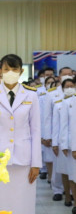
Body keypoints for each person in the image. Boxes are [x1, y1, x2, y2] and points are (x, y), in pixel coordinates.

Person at [0, 54, 41, 214]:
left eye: (14, 69)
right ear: (0, 71)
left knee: (23, 204)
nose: (10, 72)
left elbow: (36, 131)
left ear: (21, 71)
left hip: (24, 160)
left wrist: (36, 163)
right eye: (7, 69)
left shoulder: (31, 96)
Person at [43, 66, 73, 200]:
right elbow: (47, 117)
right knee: (59, 167)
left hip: (72, 136)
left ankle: (72, 193)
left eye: (70, 74)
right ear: (59, 77)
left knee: (72, 168)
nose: (68, 76)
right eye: (64, 74)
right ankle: (58, 190)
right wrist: (48, 137)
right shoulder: (52, 94)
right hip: (58, 135)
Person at [54, 78, 75, 207]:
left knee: (73, 173)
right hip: (65, 143)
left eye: (71, 85)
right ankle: (67, 196)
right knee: (66, 172)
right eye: (66, 86)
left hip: (73, 141)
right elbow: (58, 126)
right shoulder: (60, 103)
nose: (69, 88)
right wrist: (57, 143)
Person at [62, 83, 76, 213]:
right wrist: (66, 145)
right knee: (73, 176)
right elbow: (65, 125)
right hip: (73, 146)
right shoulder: (69, 102)